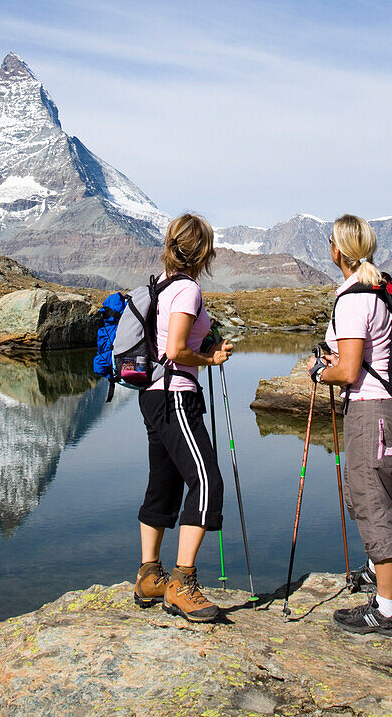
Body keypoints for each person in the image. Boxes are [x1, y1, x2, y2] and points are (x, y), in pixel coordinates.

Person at [307, 213, 392, 639]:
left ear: (338, 251)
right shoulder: (377, 289)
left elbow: (349, 371)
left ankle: (388, 612)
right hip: (389, 407)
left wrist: (320, 372)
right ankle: (374, 575)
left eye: (329, 242)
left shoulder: (353, 298)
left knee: (371, 501)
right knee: (371, 491)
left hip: (372, 411)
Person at [133, 212, 233, 623]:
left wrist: (202, 344)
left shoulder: (159, 284)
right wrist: (209, 357)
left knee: (164, 482)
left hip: (153, 395)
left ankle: (148, 576)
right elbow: (175, 350)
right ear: (203, 251)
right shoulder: (188, 289)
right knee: (207, 482)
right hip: (176, 396)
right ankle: (182, 583)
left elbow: (164, 343)